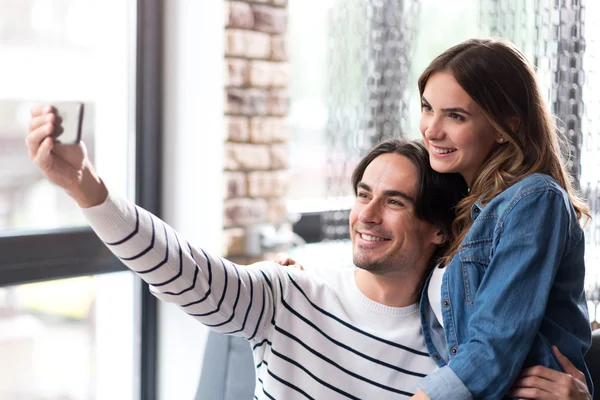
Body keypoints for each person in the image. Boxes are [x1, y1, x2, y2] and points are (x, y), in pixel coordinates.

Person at [25, 110, 591, 399]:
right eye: (363, 195)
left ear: (441, 230)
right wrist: (87, 188)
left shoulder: (458, 349)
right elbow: (181, 271)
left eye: (394, 202)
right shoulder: (289, 293)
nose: (366, 216)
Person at [408, 38, 593, 400]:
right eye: (428, 108)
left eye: (455, 115)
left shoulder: (533, 199)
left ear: (507, 124)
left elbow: (494, 345)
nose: (432, 129)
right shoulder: (463, 205)